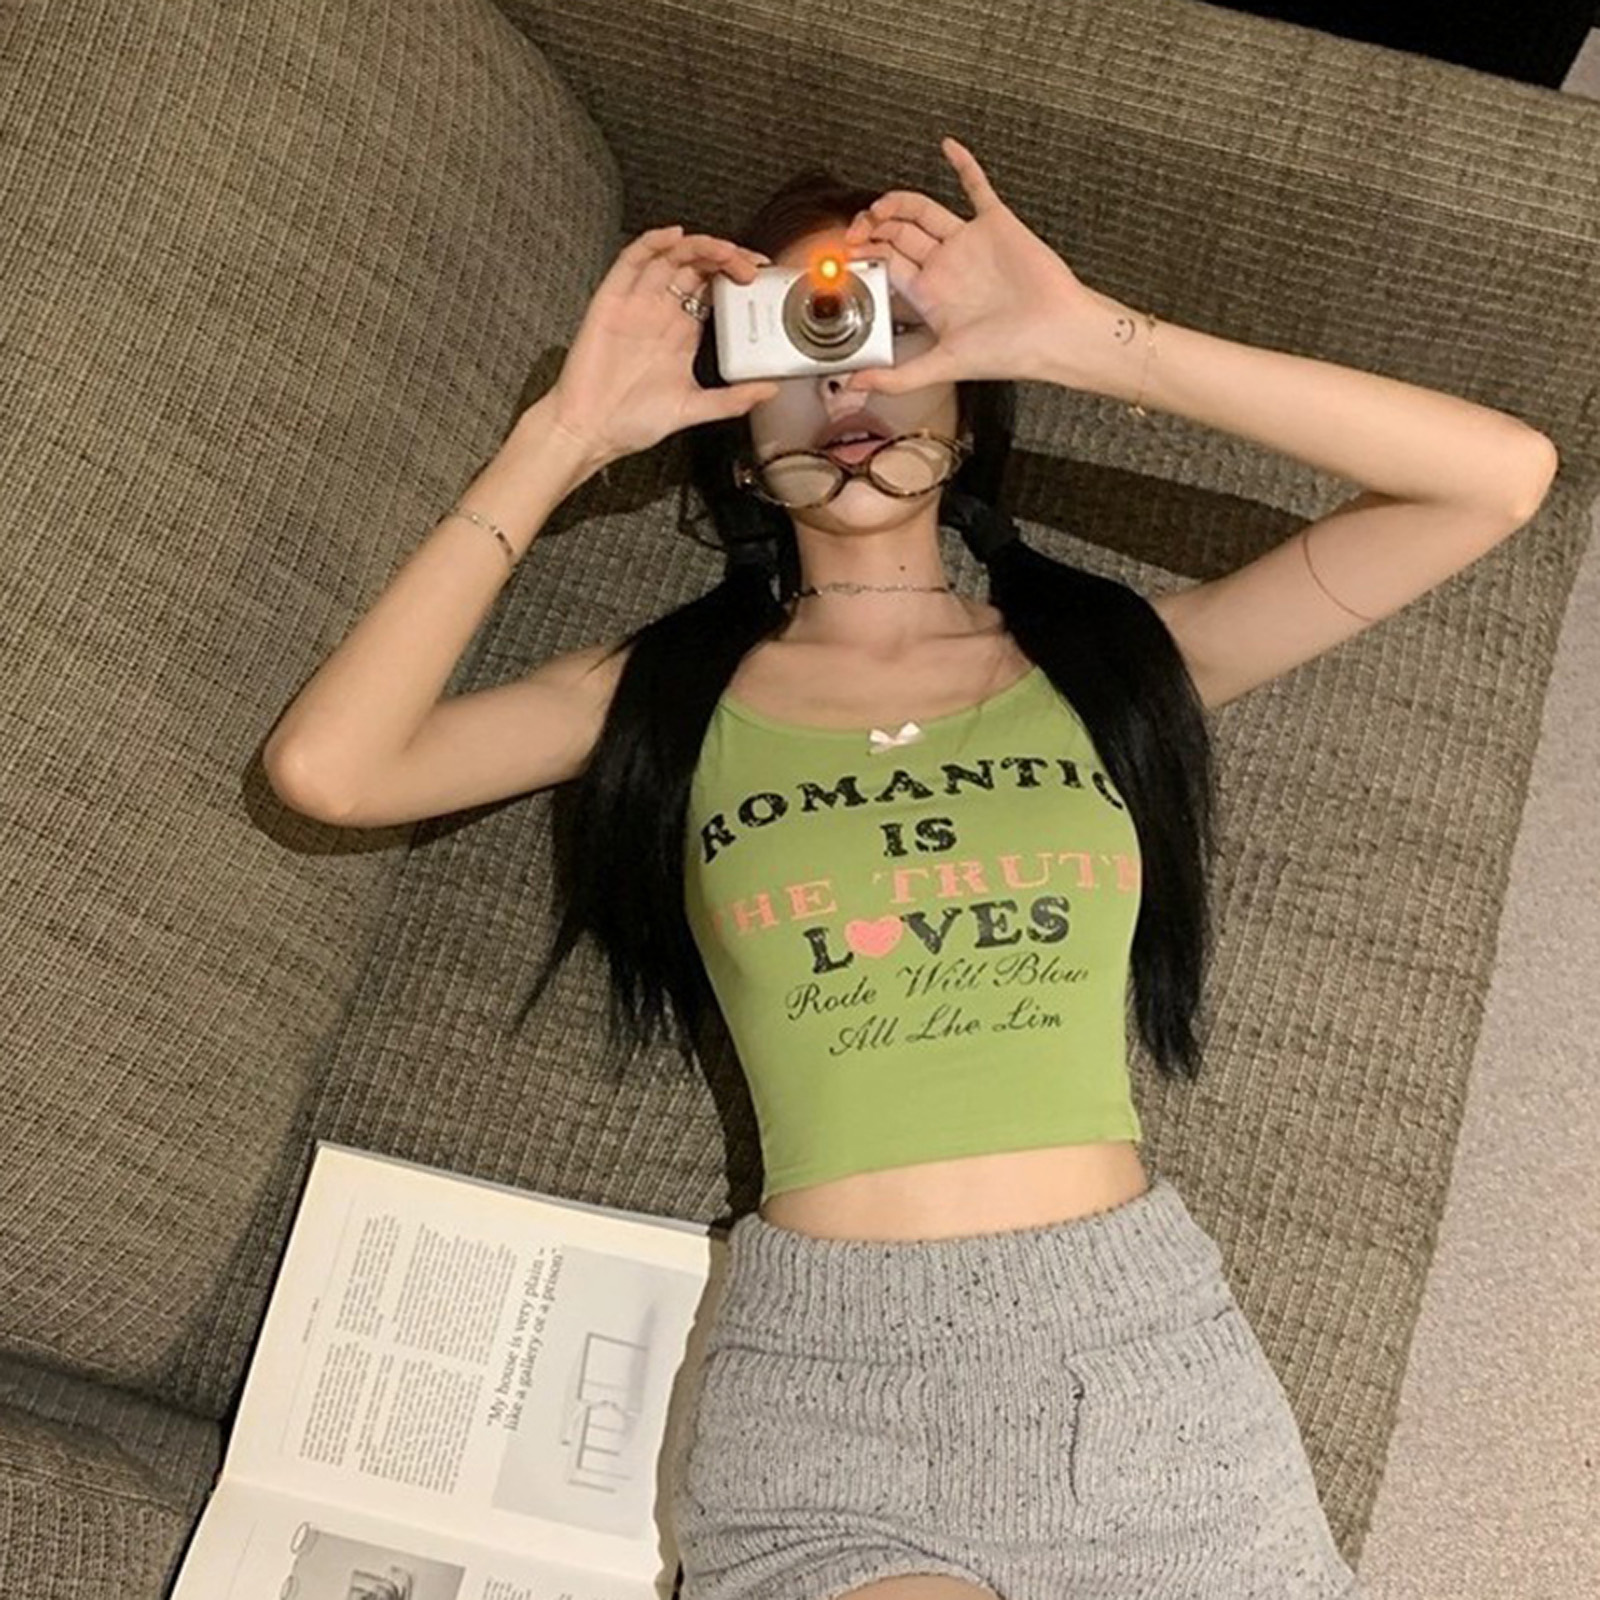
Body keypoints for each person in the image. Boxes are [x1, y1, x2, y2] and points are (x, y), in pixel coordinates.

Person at [264, 134, 1552, 1599]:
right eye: (794, 344)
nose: (847, 386)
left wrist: (1087, 337)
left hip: (1138, 1371)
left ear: (968, 387)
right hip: (832, 1392)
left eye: (884, 330)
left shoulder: (1113, 668)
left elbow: (1495, 480)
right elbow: (334, 771)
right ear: (735, 431)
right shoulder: (660, 695)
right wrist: (564, 434)